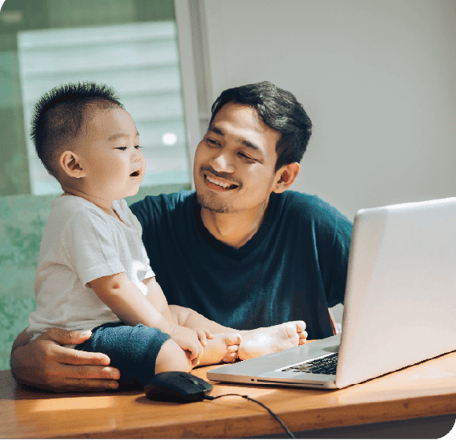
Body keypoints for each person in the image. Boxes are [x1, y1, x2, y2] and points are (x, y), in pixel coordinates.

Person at [10, 81, 352, 392]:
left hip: (309, 409)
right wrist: (24, 361)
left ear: (283, 177)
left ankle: (242, 342)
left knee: (177, 314)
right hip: (188, 418)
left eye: (245, 155)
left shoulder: (313, 223)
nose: (218, 162)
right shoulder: (146, 221)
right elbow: (53, 321)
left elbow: (396, 301)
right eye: (213, 141)